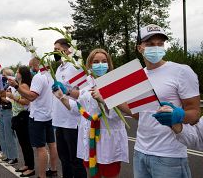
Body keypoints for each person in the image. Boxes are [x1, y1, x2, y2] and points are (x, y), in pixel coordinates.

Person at [133, 24, 201, 178]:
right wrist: (109, 99)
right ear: (140, 48)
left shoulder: (182, 71)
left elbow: (195, 112)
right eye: (150, 44)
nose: (156, 47)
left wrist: (178, 115)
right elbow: (139, 115)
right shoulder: (137, 77)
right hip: (140, 152)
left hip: (169, 156)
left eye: (160, 44)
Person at [53, 48, 129, 178]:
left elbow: (118, 113)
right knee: (92, 175)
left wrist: (104, 99)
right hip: (88, 140)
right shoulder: (86, 87)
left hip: (107, 140)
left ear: (109, 64)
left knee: (108, 174)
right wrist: (61, 96)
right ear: (89, 65)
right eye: (96, 61)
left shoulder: (115, 84)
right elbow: (79, 109)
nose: (100, 64)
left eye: (104, 61)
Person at [8, 57, 58, 178]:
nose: (30, 69)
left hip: (38, 116)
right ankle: (53, 170)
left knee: (41, 148)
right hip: (49, 114)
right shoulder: (50, 75)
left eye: (31, 66)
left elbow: (31, 97)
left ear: (36, 66)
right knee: (51, 144)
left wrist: (16, 86)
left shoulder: (38, 77)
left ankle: (42, 175)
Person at [52, 38, 87, 178]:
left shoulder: (75, 67)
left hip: (72, 121)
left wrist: (65, 90)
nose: (54, 52)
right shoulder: (59, 69)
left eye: (56, 49)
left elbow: (82, 92)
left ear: (67, 50)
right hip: (60, 120)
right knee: (64, 159)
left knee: (76, 160)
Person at [6, 66, 35, 177]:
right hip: (17, 116)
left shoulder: (24, 86)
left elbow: (27, 101)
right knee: (22, 143)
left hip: (23, 116)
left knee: (26, 143)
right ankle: (27, 164)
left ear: (22, 74)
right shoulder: (18, 86)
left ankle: (31, 167)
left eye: (17, 72)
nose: (16, 73)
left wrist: (13, 97)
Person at [0, 68, 19, 166]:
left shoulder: (13, 86)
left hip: (9, 111)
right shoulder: (5, 85)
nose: (3, 76)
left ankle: (13, 157)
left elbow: (10, 99)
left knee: (9, 135)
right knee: (2, 134)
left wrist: (0, 97)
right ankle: (6, 154)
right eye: (2, 75)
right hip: (2, 110)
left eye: (4, 75)